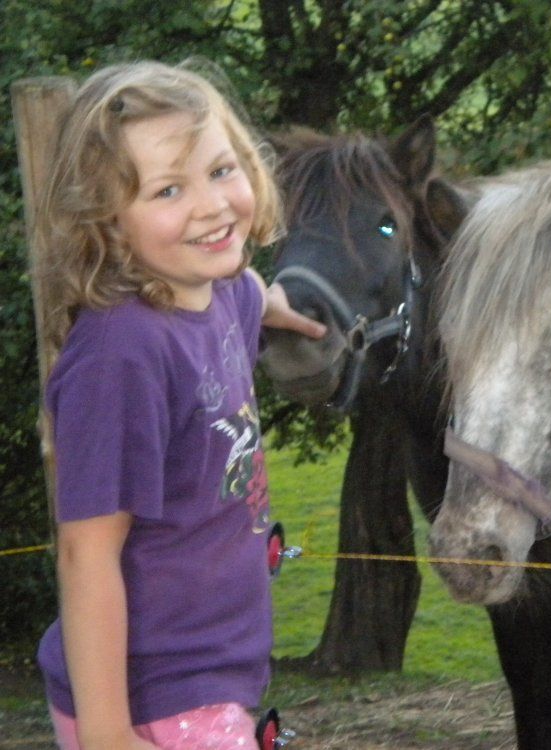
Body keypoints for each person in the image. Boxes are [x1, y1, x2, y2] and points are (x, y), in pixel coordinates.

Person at [33, 60, 326, 749]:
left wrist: (278, 307)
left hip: (208, 679)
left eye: (221, 170)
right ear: (105, 222)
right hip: (154, 701)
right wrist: (110, 735)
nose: (212, 205)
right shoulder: (122, 354)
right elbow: (85, 553)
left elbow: (250, 289)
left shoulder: (224, 292)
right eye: (169, 189)